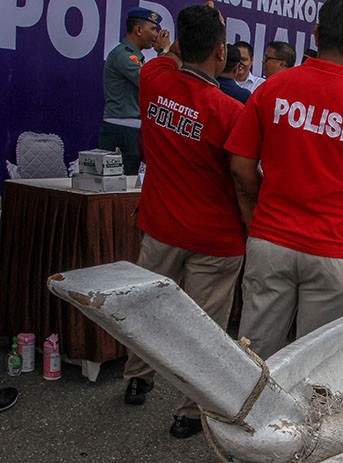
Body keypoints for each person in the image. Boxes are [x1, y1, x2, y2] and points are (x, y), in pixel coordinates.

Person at [226, 0, 343, 362]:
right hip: (336, 252)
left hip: (271, 240)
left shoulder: (273, 88)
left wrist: (263, 209)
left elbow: (241, 166)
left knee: (254, 356)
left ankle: (248, 402)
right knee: (319, 363)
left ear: (317, 34)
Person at [126, 4, 247, 439]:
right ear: (221, 52)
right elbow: (242, 176)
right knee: (203, 330)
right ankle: (189, 413)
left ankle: (137, 378)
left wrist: (193, 31)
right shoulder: (229, 111)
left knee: (146, 311)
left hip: (160, 225)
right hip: (215, 237)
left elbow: (174, 52)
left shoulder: (153, 77)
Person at [99, 7, 170, 175]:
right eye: (153, 29)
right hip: (121, 129)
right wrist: (164, 53)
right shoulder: (123, 54)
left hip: (132, 129)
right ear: (138, 30)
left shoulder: (135, 56)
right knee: (118, 183)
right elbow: (152, 83)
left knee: (130, 182)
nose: (156, 35)